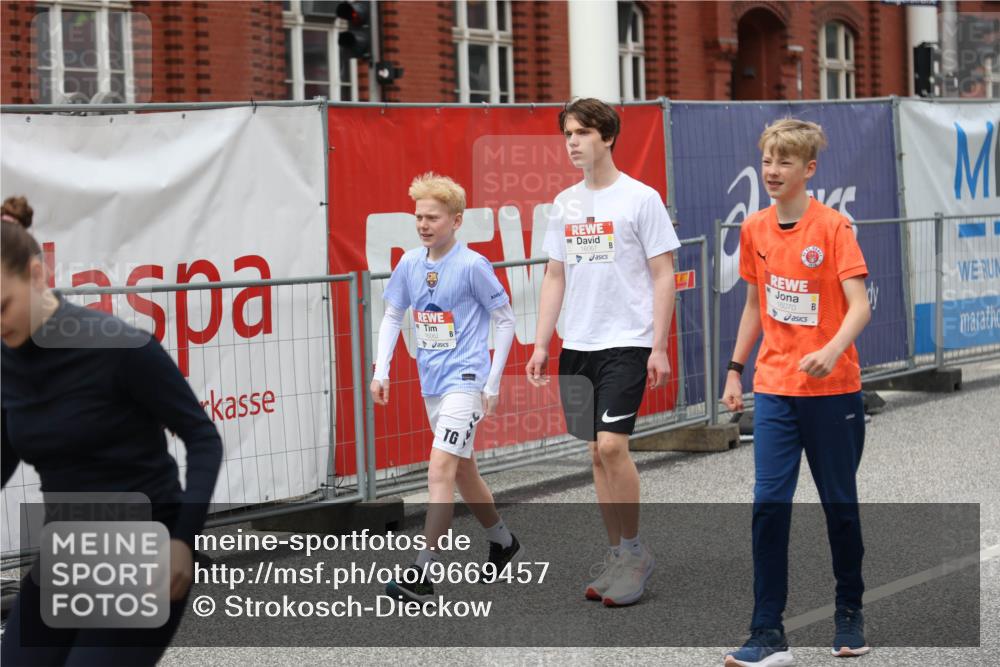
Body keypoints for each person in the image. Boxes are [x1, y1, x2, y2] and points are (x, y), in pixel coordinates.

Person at [1, 206, 224, 666]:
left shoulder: (121, 348)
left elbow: (203, 439)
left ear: (37, 274)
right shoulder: (5, 362)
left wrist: (184, 540)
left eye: (2, 305)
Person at [721, 119, 872, 667]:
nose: (772, 171)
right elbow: (756, 306)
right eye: (767, 160)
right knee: (768, 504)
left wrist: (832, 350)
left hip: (833, 391)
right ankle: (767, 631)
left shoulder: (833, 228)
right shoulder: (755, 229)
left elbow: (859, 305)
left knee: (840, 507)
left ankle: (849, 610)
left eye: (784, 162)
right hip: (776, 389)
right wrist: (735, 369)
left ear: (808, 170)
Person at [525, 98, 679, 607]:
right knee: (594, 453)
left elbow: (663, 275)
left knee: (613, 446)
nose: (572, 142)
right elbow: (555, 274)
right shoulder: (565, 202)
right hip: (579, 344)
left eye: (582, 133)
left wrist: (658, 345)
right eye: (567, 133)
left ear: (607, 137)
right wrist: (542, 342)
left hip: (627, 342)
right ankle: (616, 554)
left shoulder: (641, 198)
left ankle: (636, 553)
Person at [371, 172, 520, 602]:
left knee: (439, 469)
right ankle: (504, 541)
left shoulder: (473, 265)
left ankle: (422, 574)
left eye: (432, 217)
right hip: (432, 384)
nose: (423, 225)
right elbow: (393, 316)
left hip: (467, 381)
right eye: (418, 217)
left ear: (455, 221)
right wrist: (381, 371)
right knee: (464, 470)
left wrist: (492, 383)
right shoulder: (409, 264)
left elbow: (506, 319)